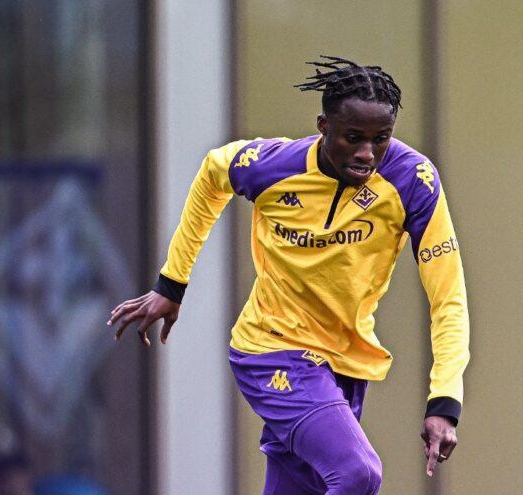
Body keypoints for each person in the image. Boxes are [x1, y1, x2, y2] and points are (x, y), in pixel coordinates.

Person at [108, 55, 470, 494]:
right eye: (353, 138)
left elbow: (448, 298)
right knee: (358, 473)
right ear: (323, 126)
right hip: (271, 350)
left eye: (381, 139)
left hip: (345, 363)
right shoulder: (272, 165)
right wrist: (172, 284)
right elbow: (213, 173)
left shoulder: (413, 180)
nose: (366, 154)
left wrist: (444, 400)